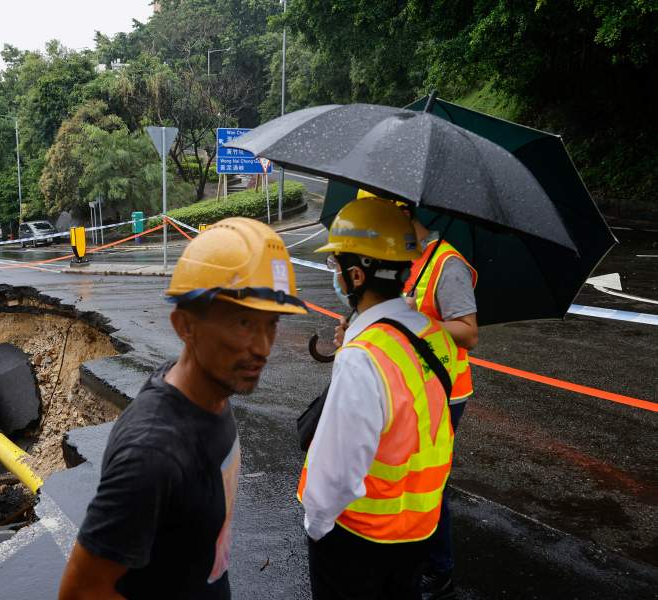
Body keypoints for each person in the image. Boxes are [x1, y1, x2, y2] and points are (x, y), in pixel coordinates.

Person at [59, 217, 307, 600]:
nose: (262, 347)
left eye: (271, 324)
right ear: (184, 326)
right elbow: (82, 591)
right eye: (243, 322)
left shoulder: (213, 391)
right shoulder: (152, 455)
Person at [299, 195, 459, 600]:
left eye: (336, 265)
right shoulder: (432, 335)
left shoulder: (363, 357)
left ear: (356, 276)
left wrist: (317, 527)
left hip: (357, 540)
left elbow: (334, 475)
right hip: (417, 529)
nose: (334, 273)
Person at [401, 205, 478, 600]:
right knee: (408, 476)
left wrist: (419, 319)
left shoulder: (448, 265)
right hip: (412, 387)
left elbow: (468, 331)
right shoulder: (408, 259)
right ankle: (414, 554)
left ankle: (440, 570)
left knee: (431, 482)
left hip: (446, 393)